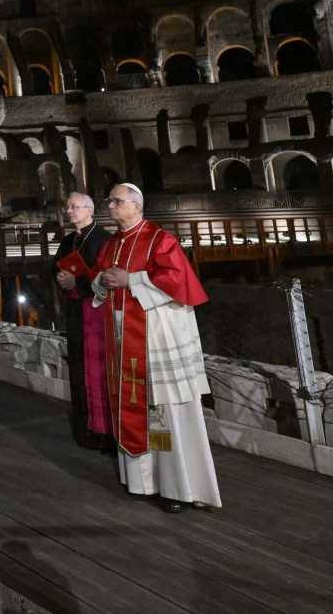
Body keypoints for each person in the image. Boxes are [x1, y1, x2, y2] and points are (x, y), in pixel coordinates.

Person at [93, 183, 221, 512]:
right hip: (125, 342)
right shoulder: (113, 242)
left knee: (166, 410)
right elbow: (103, 276)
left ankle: (178, 488)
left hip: (157, 338)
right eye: (109, 201)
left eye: (117, 201)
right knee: (136, 406)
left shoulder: (159, 239)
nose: (110, 206)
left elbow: (178, 282)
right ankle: (143, 481)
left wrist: (131, 280)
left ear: (136, 205)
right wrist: (102, 282)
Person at [52, 193, 112, 450]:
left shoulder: (104, 239)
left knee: (100, 373)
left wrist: (77, 282)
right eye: (67, 207)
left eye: (74, 207)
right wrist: (61, 279)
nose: (69, 211)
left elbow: (108, 276)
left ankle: (106, 434)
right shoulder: (68, 241)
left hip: (98, 316)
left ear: (89, 210)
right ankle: (85, 432)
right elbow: (54, 268)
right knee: (78, 370)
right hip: (76, 314)